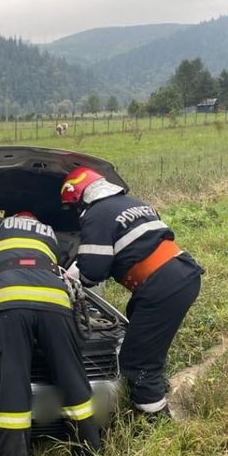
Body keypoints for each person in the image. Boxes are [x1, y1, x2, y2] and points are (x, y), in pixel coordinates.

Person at [0, 210, 102, 456]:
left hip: (10, 302)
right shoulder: (49, 233)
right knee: (72, 379)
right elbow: (58, 260)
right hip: (55, 302)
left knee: (14, 386)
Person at [61, 166, 203, 419]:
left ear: (80, 196)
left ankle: (154, 420)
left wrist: (69, 277)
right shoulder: (132, 203)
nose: (76, 212)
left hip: (161, 283)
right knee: (143, 339)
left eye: (73, 206)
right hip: (180, 272)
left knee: (136, 361)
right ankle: (156, 386)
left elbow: (92, 272)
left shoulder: (97, 214)